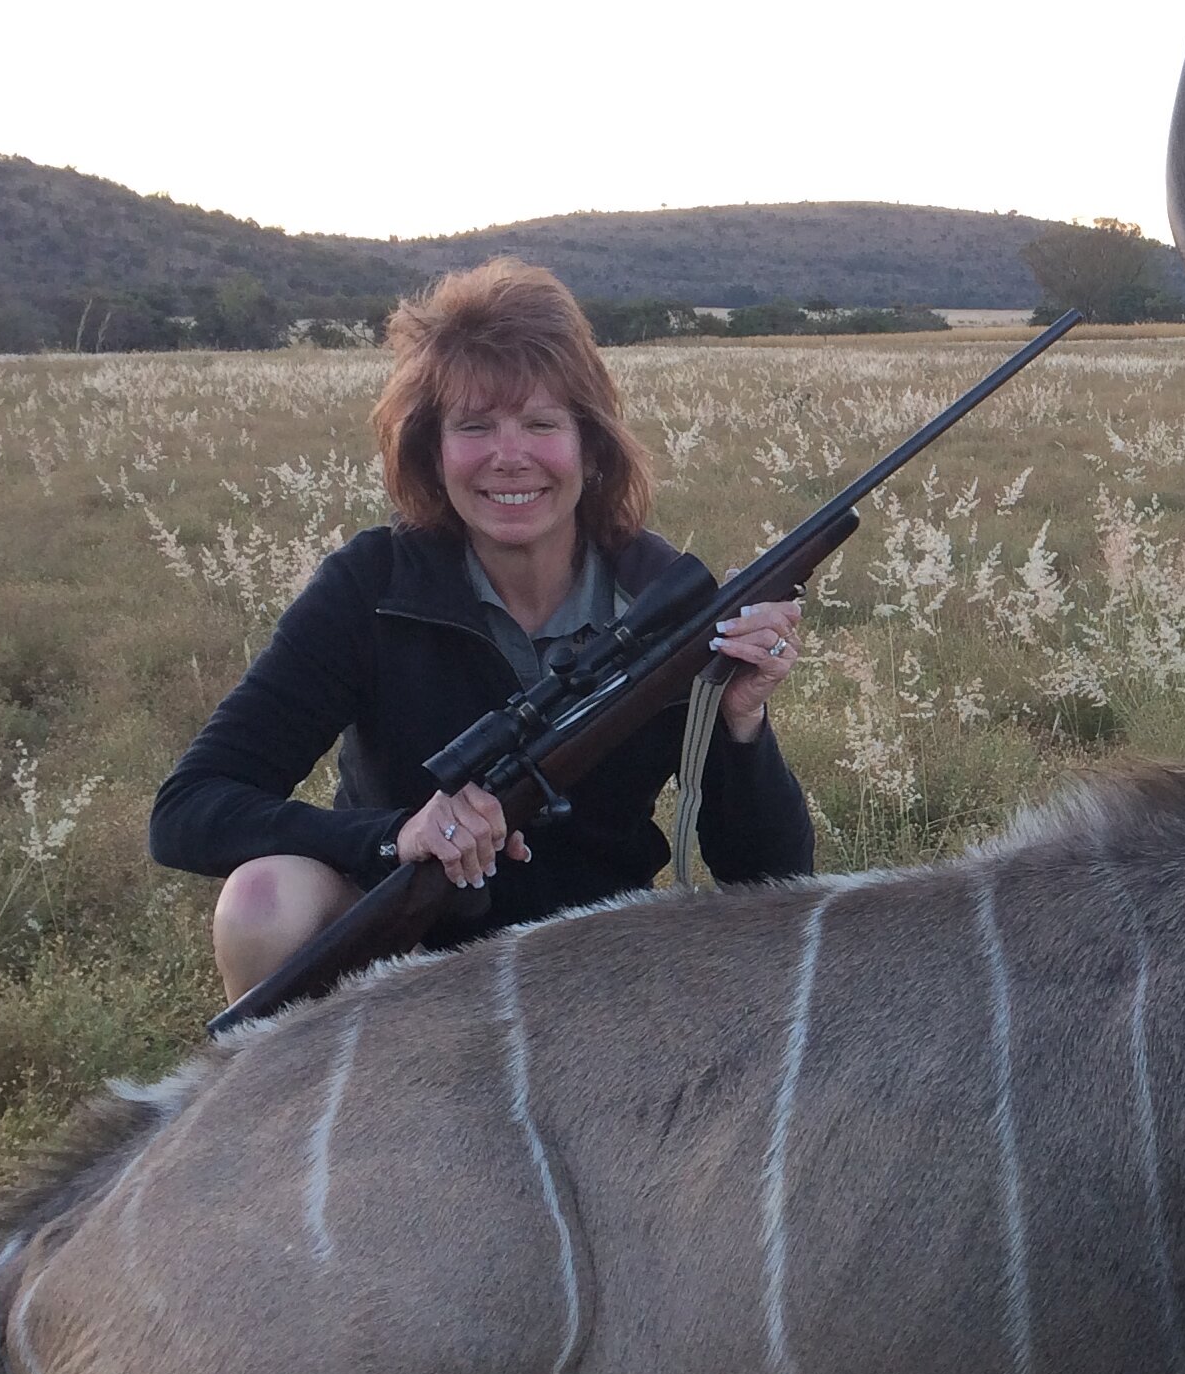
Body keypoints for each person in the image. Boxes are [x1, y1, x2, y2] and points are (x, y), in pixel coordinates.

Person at [152, 258, 813, 1001]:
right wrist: (393, 837)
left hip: (598, 956)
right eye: (474, 427)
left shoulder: (666, 600)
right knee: (263, 902)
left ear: (589, 449)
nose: (509, 456)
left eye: (541, 423)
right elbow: (190, 809)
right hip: (402, 960)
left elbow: (769, 881)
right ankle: (290, 1106)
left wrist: (740, 719)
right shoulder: (370, 585)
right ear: (432, 453)